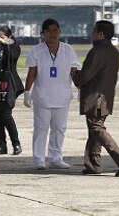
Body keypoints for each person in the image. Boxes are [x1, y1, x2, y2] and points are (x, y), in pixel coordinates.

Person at [72, 20, 119, 177]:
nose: (92, 34)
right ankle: (94, 164)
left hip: (96, 97)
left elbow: (85, 76)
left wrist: (75, 74)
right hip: (106, 97)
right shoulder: (114, 51)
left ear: (100, 33)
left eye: (94, 31)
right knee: (94, 130)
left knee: (96, 128)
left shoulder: (97, 52)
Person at [23, 18, 81, 170]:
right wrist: (27, 91)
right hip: (43, 96)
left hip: (62, 95)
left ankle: (56, 157)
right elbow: (32, 72)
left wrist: (81, 88)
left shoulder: (68, 50)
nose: (52, 34)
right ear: (43, 33)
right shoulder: (36, 50)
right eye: (49, 31)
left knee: (59, 127)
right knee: (41, 127)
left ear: (59, 31)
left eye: (55, 30)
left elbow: (74, 71)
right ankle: (39, 159)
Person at [0, 27, 23, 155]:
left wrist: (5, 43)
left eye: (2, 37)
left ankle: (16, 143)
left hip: (9, 84)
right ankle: (1, 144)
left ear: (9, 37)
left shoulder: (14, 47)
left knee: (5, 114)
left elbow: (12, 58)